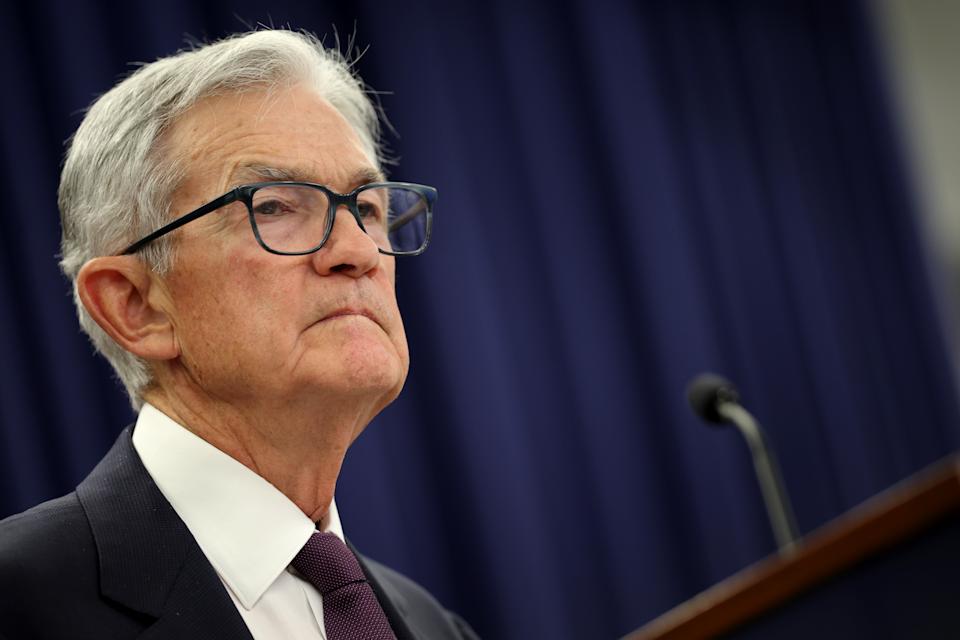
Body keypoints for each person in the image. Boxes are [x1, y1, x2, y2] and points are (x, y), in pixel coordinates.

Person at [0, 29, 477, 640]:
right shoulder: (18, 603)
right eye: (276, 206)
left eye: (365, 207)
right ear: (137, 305)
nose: (357, 250)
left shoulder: (432, 626)